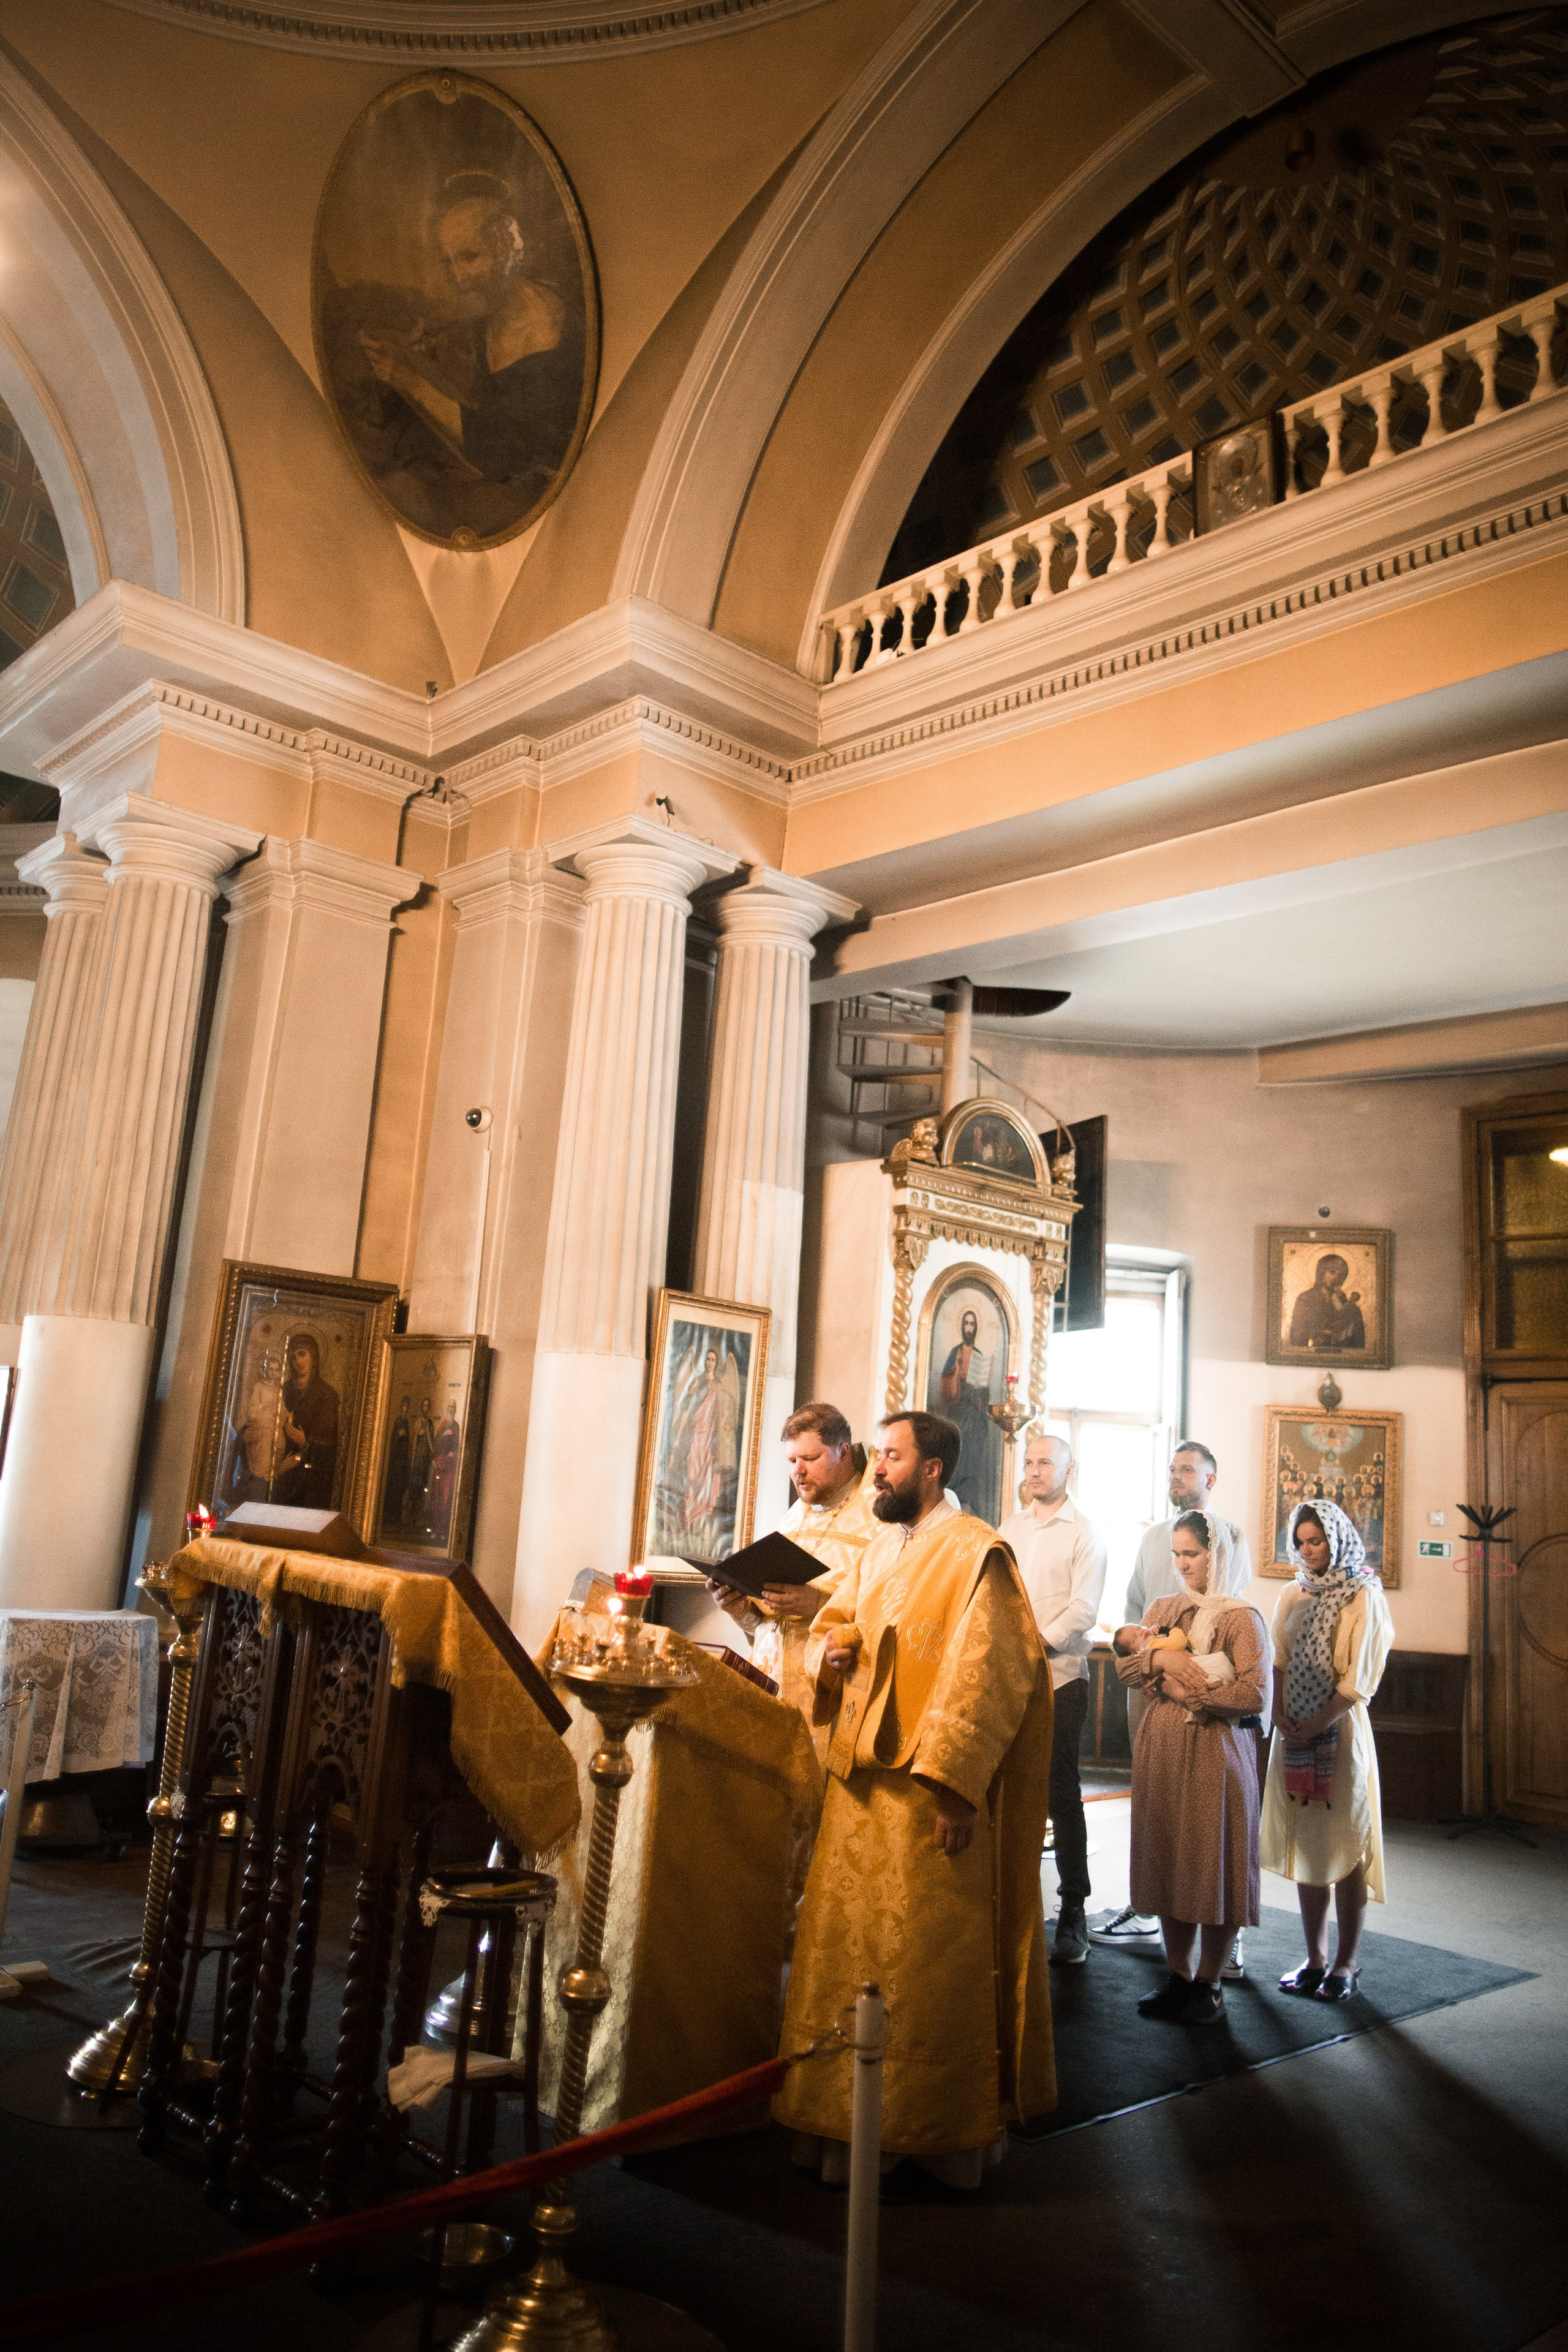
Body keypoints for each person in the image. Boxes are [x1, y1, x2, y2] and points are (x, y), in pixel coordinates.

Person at [775, 1411, 1055, 2188]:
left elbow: (993, 1675)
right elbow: (836, 1623)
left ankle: (926, 2128)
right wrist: (829, 1651)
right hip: (858, 1793)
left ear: (931, 1470)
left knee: (921, 1965)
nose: (878, 1471)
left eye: (892, 1458)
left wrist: (957, 1790)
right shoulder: (881, 1547)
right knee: (851, 1958)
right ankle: (841, 2117)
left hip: (924, 1801)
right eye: (880, 1458)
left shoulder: (976, 1554)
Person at [1092, 1439, 1253, 1962]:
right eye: (1172, 1469)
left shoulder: (1231, 1544)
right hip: (1157, 1694)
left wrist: (1194, 1681)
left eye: (1187, 1470)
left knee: (1211, 1831)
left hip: (1214, 1712)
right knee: (1160, 1813)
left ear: (1210, 1478)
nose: (1176, 1477)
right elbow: (1136, 1611)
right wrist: (1155, 1659)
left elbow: (1237, 1625)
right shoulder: (1153, 1540)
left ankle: (1223, 1946)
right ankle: (1153, 1912)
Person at [1113, 1510, 1271, 2027]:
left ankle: (1210, 1981)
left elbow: (1255, 1692)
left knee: (1212, 1858)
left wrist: (1195, 1692)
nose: (1182, 1565)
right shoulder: (1163, 1607)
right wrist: (1161, 1663)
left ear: (1218, 1554)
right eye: (1176, 1554)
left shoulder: (1242, 1617)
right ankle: (1178, 1974)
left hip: (1216, 1749)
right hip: (1162, 1742)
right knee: (1169, 1855)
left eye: (1193, 1555)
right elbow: (1126, 1666)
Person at [1262, 1500, 1393, 2000]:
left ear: (1336, 1538)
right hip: (1293, 1730)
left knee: (1346, 1845)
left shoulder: (1365, 1596)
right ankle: (1315, 1956)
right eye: (1300, 1542)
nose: (1308, 1550)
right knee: (1308, 1842)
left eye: (1316, 1540)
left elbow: (1361, 1678)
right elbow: (1279, 1656)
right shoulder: (1293, 1594)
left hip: (1339, 1733)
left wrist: (1316, 1722)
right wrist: (1280, 1714)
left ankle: (1346, 1963)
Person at [1000, 1433, 1107, 1966]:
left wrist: (1033, 1645)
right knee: (1005, 1788)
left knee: (1061, 1795)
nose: (1035, 1470)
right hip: (1005, 1677)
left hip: (1061, 1678)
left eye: (1046, 1463)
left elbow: (1084, 1610)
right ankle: (1009, 1903)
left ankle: (1073, 1910)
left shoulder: (1085, 1533)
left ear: (1069, 1470)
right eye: (1030, 1461)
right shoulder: (1010, 1527)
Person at [707, 1401, 877, 1728]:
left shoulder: (878, 1519)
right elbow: (766, 1627)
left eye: (810, 1459)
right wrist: (739, 1609)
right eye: (792, 1460)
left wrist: (819, 1605)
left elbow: (889, 1619)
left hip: (829, 1700)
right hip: (769, 1696)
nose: (798, 1470)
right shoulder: (793, 1516)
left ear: (842, 1451)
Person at [935, 1306, 1003, 1520]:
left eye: (973, 1324)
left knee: (973, 1458)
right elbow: (946, 1383)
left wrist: (981, 1387)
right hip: (958, 1410)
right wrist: (956, 1371)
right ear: (962, 1327)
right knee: (958, 1453)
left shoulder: (979, 1355)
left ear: (976, 1328)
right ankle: (952, 1498)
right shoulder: (955, 1353)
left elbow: (984, 1391)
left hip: (975, 1412)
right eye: (966, 1323)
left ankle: (967, 1502)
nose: (969, 1328)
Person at [272, 1333, 340, 1510]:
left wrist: (304, 1443)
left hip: (310, 1472)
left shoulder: (327, 1395)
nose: (298, 1362)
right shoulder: (283, 1389)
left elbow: (330, 1447)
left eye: (302, 1354)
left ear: (314, 1357)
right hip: (279, 1462)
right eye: (293, 1357)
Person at [1287, 1252, 1366, 1351]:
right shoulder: (1306, 1299)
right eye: (1332, 1272)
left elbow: (1358, 1341)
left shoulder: (1349, 1306)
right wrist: (1321, 1333)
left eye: (1342, 1274)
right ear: (1321, 1273)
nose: (1337, 1278)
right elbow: (1297, 1333)